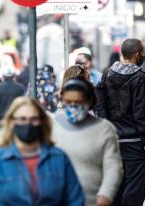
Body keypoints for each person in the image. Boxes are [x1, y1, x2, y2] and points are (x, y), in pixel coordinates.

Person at [0, 97, 84, 206]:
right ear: (11, 122)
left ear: (41, 122)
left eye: (34, 119)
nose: (28, 124)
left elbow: (75, 200)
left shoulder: (59, 158)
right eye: (22, 119)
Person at [52, 78, 123, 206]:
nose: (73, 105)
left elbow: (113, 167)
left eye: (79, 102)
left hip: (92, 201)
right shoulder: (51, 126)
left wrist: (106, 194)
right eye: (68, 101)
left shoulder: (104, 129)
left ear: (90, 101)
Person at [103, 38, 145, 206]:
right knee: (135, 189)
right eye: (143, 53)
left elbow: (101, 108)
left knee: (116, 186)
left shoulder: (107, 74)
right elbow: (142, 113)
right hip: (136, 143)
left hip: (113, 141)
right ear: (138, 54)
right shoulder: (139, 78)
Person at [0, 66, 25, 136]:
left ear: (3, 76)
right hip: (16, 121)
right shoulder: (21, 89)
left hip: (2, 123)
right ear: (14, 76)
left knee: (2, 144)